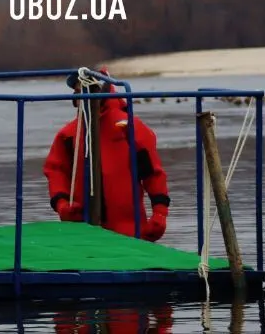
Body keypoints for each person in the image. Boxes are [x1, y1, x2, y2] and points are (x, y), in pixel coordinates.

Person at [41, 70, 171, 241]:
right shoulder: (68, 135)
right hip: (81, 233)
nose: (82, 97)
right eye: (78, 92)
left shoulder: (130, 127)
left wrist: (160, 214)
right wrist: (62, 205)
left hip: (129, 233)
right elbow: (56, 171)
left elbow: (152, 173)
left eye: (86, 90)